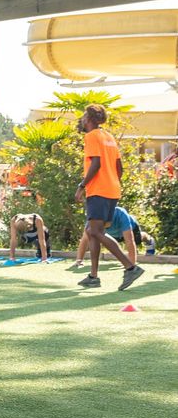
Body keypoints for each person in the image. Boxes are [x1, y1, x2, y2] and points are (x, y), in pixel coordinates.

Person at [74, 104, 145, 290]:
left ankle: (130, 267)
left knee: (96, 232)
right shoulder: (109, 137)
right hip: (112, 189)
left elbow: (95, 164)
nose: (81, 120)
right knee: (91, 231)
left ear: (89, 119)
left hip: (98, 191)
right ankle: (93, 276)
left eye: (83, 117)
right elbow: (119, 167)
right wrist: (112, 181)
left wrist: (82, 186)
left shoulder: (91, 136)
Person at [74, 206, 154, 268]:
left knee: (138, 239)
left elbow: (129, 241)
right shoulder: (93, 219)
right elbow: (85, 239)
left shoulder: (121, 214)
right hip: (112, 234)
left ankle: (149, 240)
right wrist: (79, 260)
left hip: (130, 229)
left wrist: (131, 264)